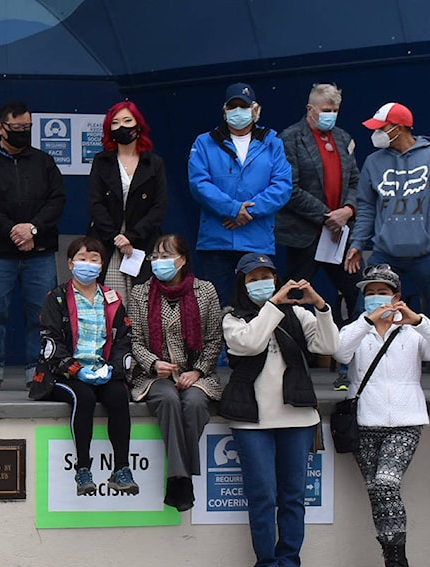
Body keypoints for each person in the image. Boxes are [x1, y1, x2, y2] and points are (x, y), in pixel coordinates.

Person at [219, 253, 340, 567]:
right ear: (242, 283)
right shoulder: (233, 318)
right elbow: (249, 344)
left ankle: (289, 563)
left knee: (292, 497)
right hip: (251, 420)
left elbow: (331, 346)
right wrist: (272, 304)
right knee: (262, 496)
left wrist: (320, 305)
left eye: (267, 276)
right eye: (253, 277)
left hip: (298, 417)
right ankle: (266, 566)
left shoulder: (299, 314)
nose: (262, 282)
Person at [333, 264, 430, 567]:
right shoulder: (358, 330)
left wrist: (418, 319)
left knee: (386, 484)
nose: (375, 298)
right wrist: (365, 322)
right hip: (365, 422)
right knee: (376, 492)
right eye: (370, 293)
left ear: (397, 296)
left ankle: (399, 565)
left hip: (406, 421)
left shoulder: (414, 332)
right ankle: (392, 563)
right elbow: (339, 351)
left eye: (382, 292)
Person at [0, 99, 66, 391]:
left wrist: (32, 229)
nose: (24, 132)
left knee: (42, 316)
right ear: (1, 128)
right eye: (17, 128)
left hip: (40, 253)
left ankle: (37, 372)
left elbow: (57, 200)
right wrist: (14, 231)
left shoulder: (44, 161)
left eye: (28, 127)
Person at [344, 102, 430, 340]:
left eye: (381, 128)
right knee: (365, 311)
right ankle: (348, 372)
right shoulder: (373, 162)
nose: (375, 134)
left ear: (398, 128)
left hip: (428, 254)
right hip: (385, 253)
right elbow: (367, 207)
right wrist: (357, 242)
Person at [28, 236, 138, 497]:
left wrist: (113, 369)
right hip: (65, 374)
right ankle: (83, 469)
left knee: (119, 396)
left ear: (101, 266)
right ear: (70, 263)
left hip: (102, 369)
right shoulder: (56, 298)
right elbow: (51, 342)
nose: (87, 264)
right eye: (81, 259)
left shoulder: (112, 299)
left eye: (94, 259)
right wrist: (77, 370)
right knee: (84, 397)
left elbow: (123, 338)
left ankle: (121, 469)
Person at [276, 82, 363, 392]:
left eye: (336, 111)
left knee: (356, 292)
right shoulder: (290, 138)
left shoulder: (343, 138)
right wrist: (327, 215)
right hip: (306, 233)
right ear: (310, 109)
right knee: (294, 298)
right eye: (327, 111)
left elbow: (355, 179)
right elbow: (289, 189)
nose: (332, 116)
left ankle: (351, 363)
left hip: (340, 234)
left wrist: (348, 210)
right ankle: (291, 365)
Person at [128, 234, 223, 512]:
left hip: (195, 372)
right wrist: (153, 363)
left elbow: (215, 339)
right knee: (168, 399)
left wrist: (197, 371)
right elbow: (134, 339)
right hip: (154, 374)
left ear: (182, 260)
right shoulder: (140, 292)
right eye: (154, 257)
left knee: (193, 402)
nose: (159, 262)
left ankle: (178, 478)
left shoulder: (205, 290)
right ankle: (183, 478)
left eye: (166, 256)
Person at [188, 82, 293, 307]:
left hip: (256, 241)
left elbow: (282, 186)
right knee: (216, 308)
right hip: (217, 242)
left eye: (243, 106)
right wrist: (234, 209)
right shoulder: (204, 142)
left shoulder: (272, 142)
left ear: (255, 110)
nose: (238, 111)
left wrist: (248, 212)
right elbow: (199, 183)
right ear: (224, 111)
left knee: (257, 307)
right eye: (232, 106)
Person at [87, 100, 167, 303]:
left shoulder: (154, 163)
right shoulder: (101, 161)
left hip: (143, 241)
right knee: (113, 303)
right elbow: (95, 204)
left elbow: (159, 206)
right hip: (109, 241)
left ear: (138, 125)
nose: (121, 127)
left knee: (144, 302)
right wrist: (117, 237)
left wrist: (131, 236)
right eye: (115, 123)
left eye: (127, 120)